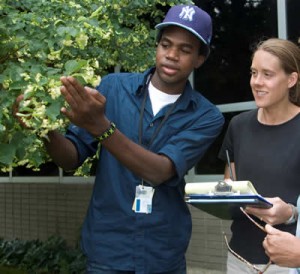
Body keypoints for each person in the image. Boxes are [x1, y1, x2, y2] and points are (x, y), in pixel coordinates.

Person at [15, 4, 224, 274]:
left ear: (200, 59)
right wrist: (41, 127)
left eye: (185, 50)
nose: (171, 55)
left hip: (162, 254)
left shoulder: (206, 115)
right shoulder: (113, 87)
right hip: (107, 249)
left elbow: (159, 171)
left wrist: (101, 127)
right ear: (157, 47)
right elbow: (71, 158)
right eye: (165, 44)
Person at [218, 37, 300, 273]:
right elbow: (230, 185)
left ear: (291, 80)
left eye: (267, 74)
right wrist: (219, 195)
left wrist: (290, 213)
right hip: (238, 258)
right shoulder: (238, 125)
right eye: (254, 73)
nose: (256, 82)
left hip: (288, 263)